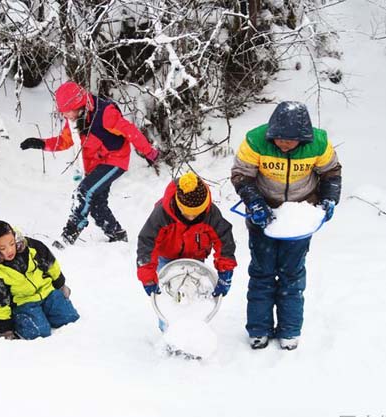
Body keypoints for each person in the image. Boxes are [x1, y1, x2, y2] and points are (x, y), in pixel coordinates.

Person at [231, 101, 342, 350]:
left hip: (300, 216)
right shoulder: (255, 140)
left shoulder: (319, 143)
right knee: (262, 273)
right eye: (278, 138)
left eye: (288, 141)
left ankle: (290, 330)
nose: (282, 143)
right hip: (264, 214)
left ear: (302, 138)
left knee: (292, 276)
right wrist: (255, 203)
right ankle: (258, 329)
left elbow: (331, 172)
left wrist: (329, 199)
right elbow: (241, 174)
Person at [19, 81, 159, 247]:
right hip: (96, 164)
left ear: (80, 106)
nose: (66, 116)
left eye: (68, 112)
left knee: (83, 192)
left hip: (115, 159)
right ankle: (117, 235)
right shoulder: (74, 119)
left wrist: (148, 152)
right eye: (63, 113)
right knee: (96, 205)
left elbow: (130, 131)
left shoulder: (105, 114)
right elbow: (65, 141)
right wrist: (41, 144)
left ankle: (69, 236)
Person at [136, 172, 237, 305]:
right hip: (167, 258)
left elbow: (224, 240)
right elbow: (147, 242)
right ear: (179, 205)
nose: (191, 218)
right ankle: (168, 322)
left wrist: (225, 271)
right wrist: (148, 276)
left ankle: (195, 320)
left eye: (196, 213)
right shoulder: (163, 214)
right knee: (169, 296)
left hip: (196, 258)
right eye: (187, 213)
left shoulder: (211, 214)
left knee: (194, 294)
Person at [0, 220, 80, 340]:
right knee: (38, 332)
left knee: (70, 319)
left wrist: (60, 284)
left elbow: (51, 265)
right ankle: (22, 320)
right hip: (24, 303)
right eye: (3, 248)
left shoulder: (31, 247)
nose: (10, 250)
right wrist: (5, 328)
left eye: (11, 244)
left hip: (47, 292)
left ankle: (46, 313)